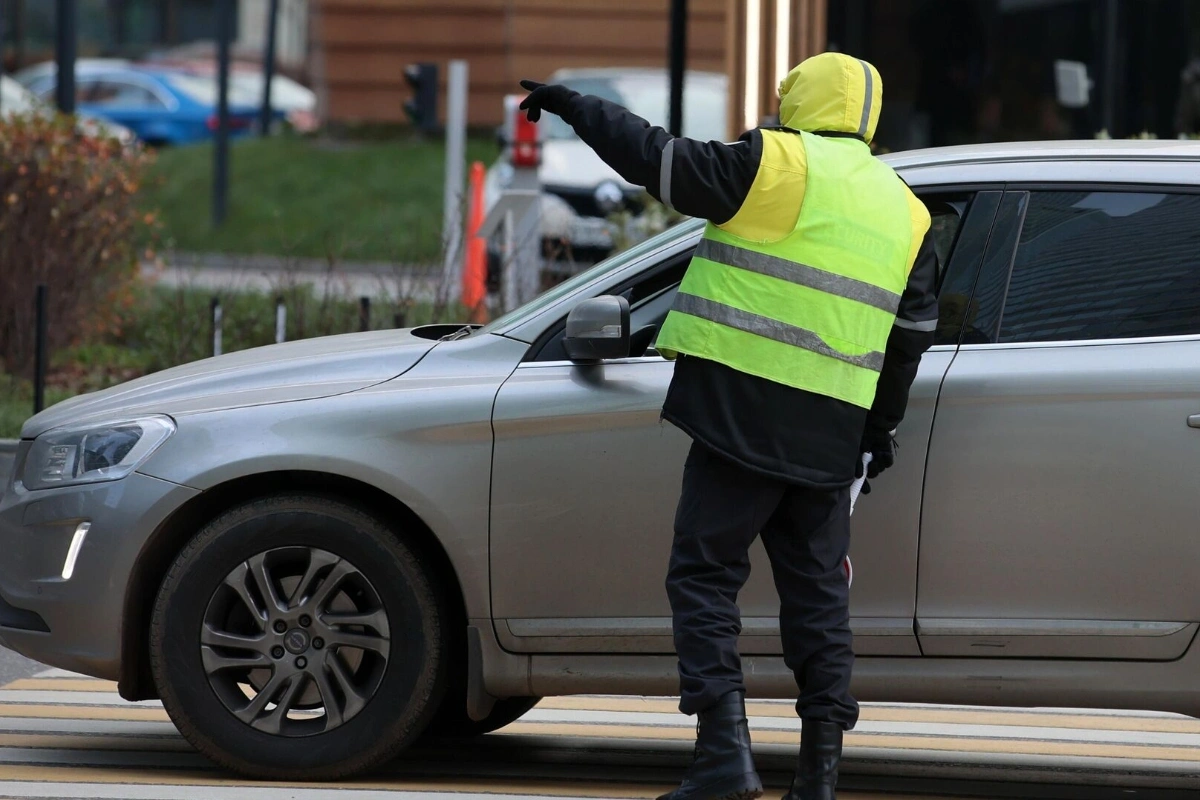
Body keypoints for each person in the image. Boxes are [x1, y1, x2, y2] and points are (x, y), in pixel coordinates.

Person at [519, 52, 938, 800]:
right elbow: (910, 339)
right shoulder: (906, 211)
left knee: (706, 575)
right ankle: (819, 777)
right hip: (831, 432)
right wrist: (875, 435)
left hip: (743, 412)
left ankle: (723, 757)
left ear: (800, 99)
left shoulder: (773, 163)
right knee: (818, 600)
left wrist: (578, 106)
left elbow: (657, 159)